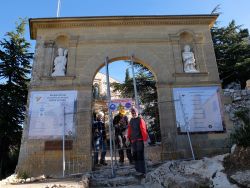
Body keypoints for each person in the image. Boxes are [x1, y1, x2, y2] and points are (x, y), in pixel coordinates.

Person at [127, 107, 148, 175]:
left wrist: (145, 140)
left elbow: (143, 130)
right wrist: (128, 138)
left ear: (137, 112)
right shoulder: (131, 120)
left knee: (140, 154)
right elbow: (129, 130)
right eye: (132, 113)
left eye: (134, 113)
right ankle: (137, 169)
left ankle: (142, 170)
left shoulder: (140, 120)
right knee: (135, 155)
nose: (133, 114)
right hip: (133, 140)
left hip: (139, 140)